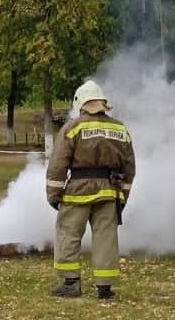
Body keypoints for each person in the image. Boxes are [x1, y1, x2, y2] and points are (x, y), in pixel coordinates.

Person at [46, 80, 136, 300]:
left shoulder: (73, 127)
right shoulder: (119, 128)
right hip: (109, 191)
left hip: (78, 190)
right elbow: (129, 167)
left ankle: (71, 283)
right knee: (106, 236)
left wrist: (54, 195)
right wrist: (122, 196)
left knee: (68, 233)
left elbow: (58, 164)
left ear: (81, 103)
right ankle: (104, 287)